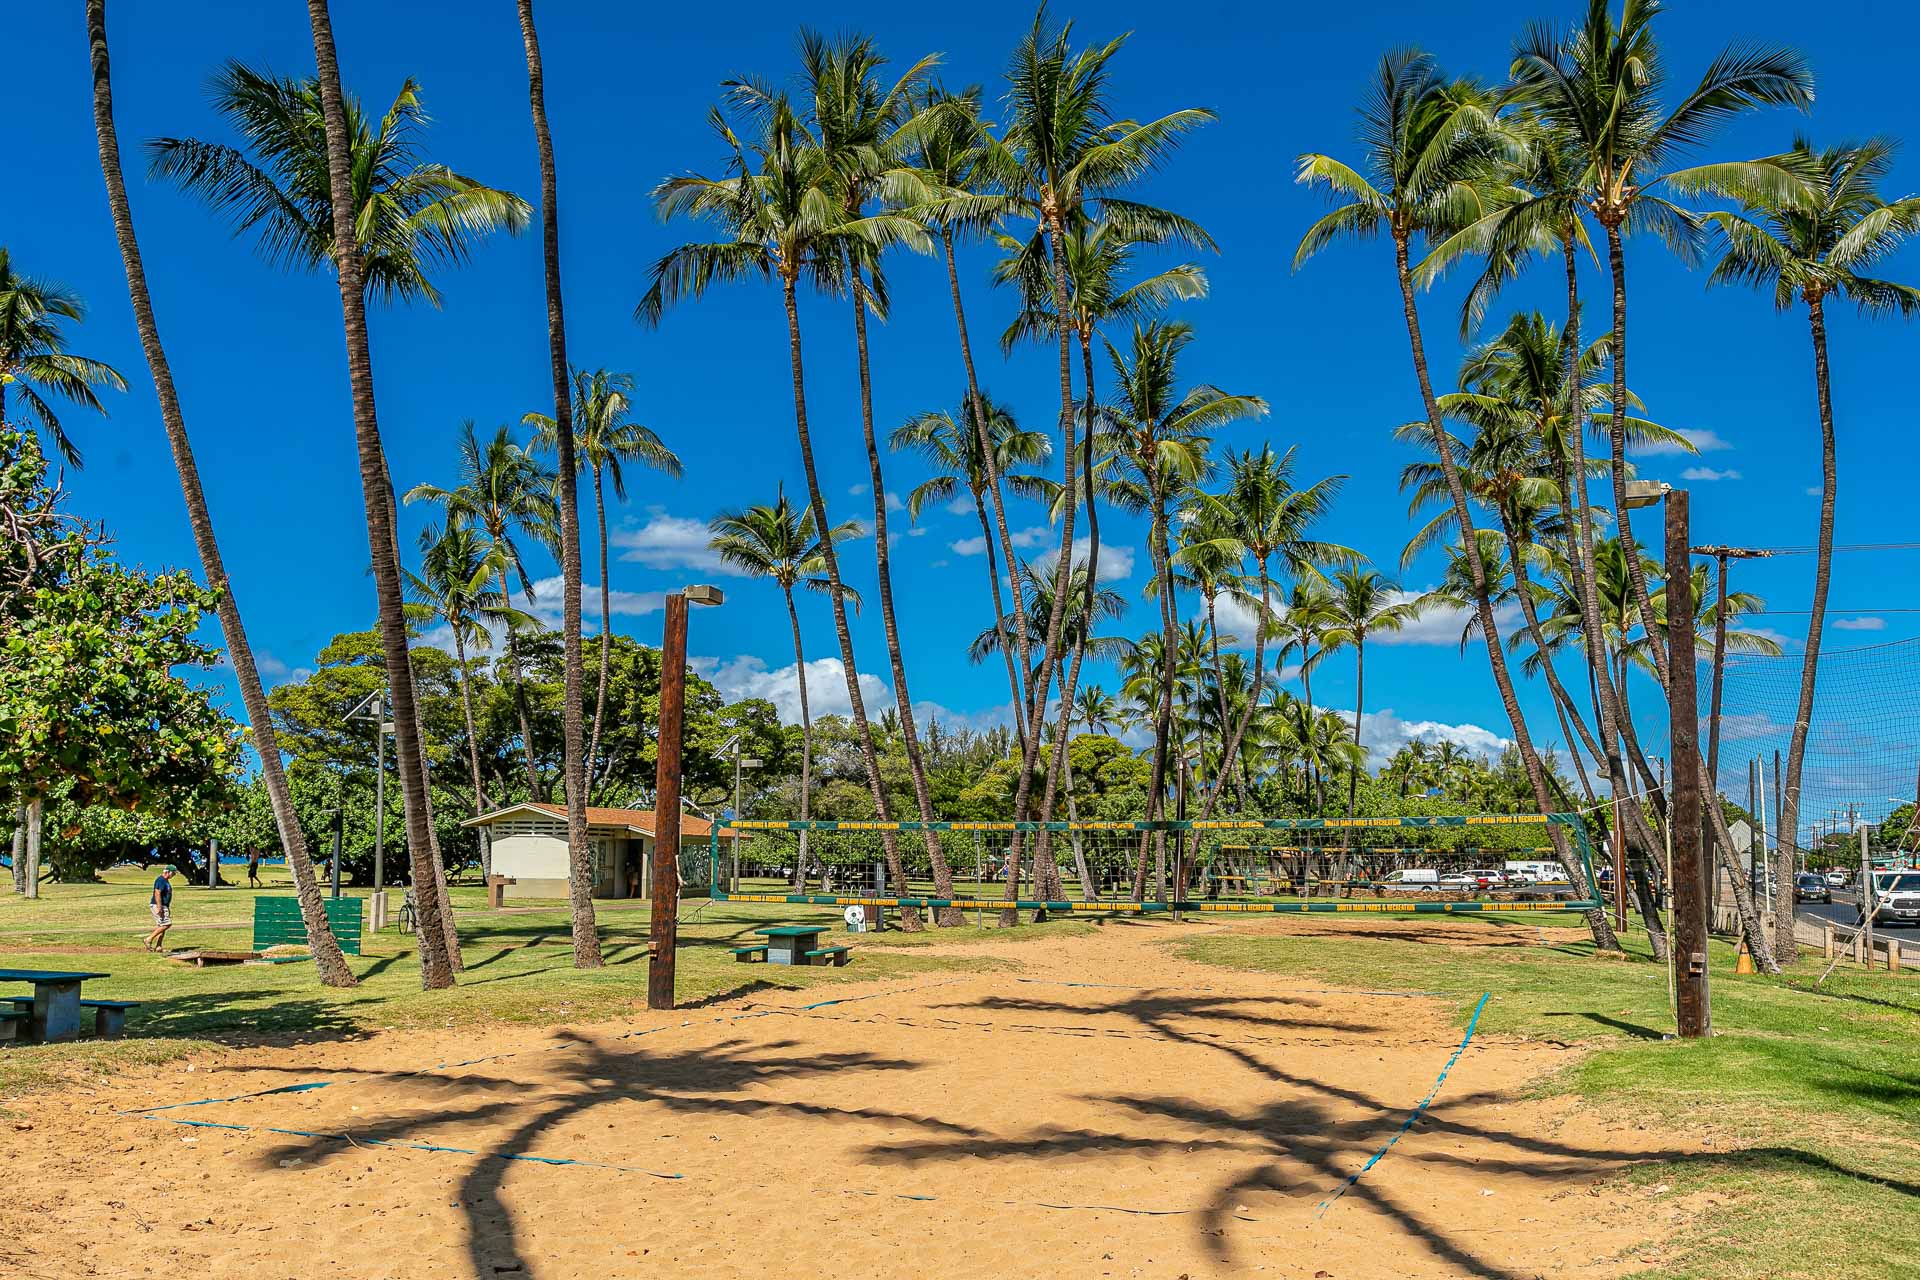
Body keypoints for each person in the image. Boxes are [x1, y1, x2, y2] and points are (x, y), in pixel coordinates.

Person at [145, 866, 177, 952]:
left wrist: (166, 907)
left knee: (162, 926)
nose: (174, 875)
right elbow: (157, 893)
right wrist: (160, 907)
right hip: (158, 905)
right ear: (168, 872)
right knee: (166, 924)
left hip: (164, 905)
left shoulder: (165, 881)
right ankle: (148, 939)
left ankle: (159, 946)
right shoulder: (161, 880)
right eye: (173, 873)